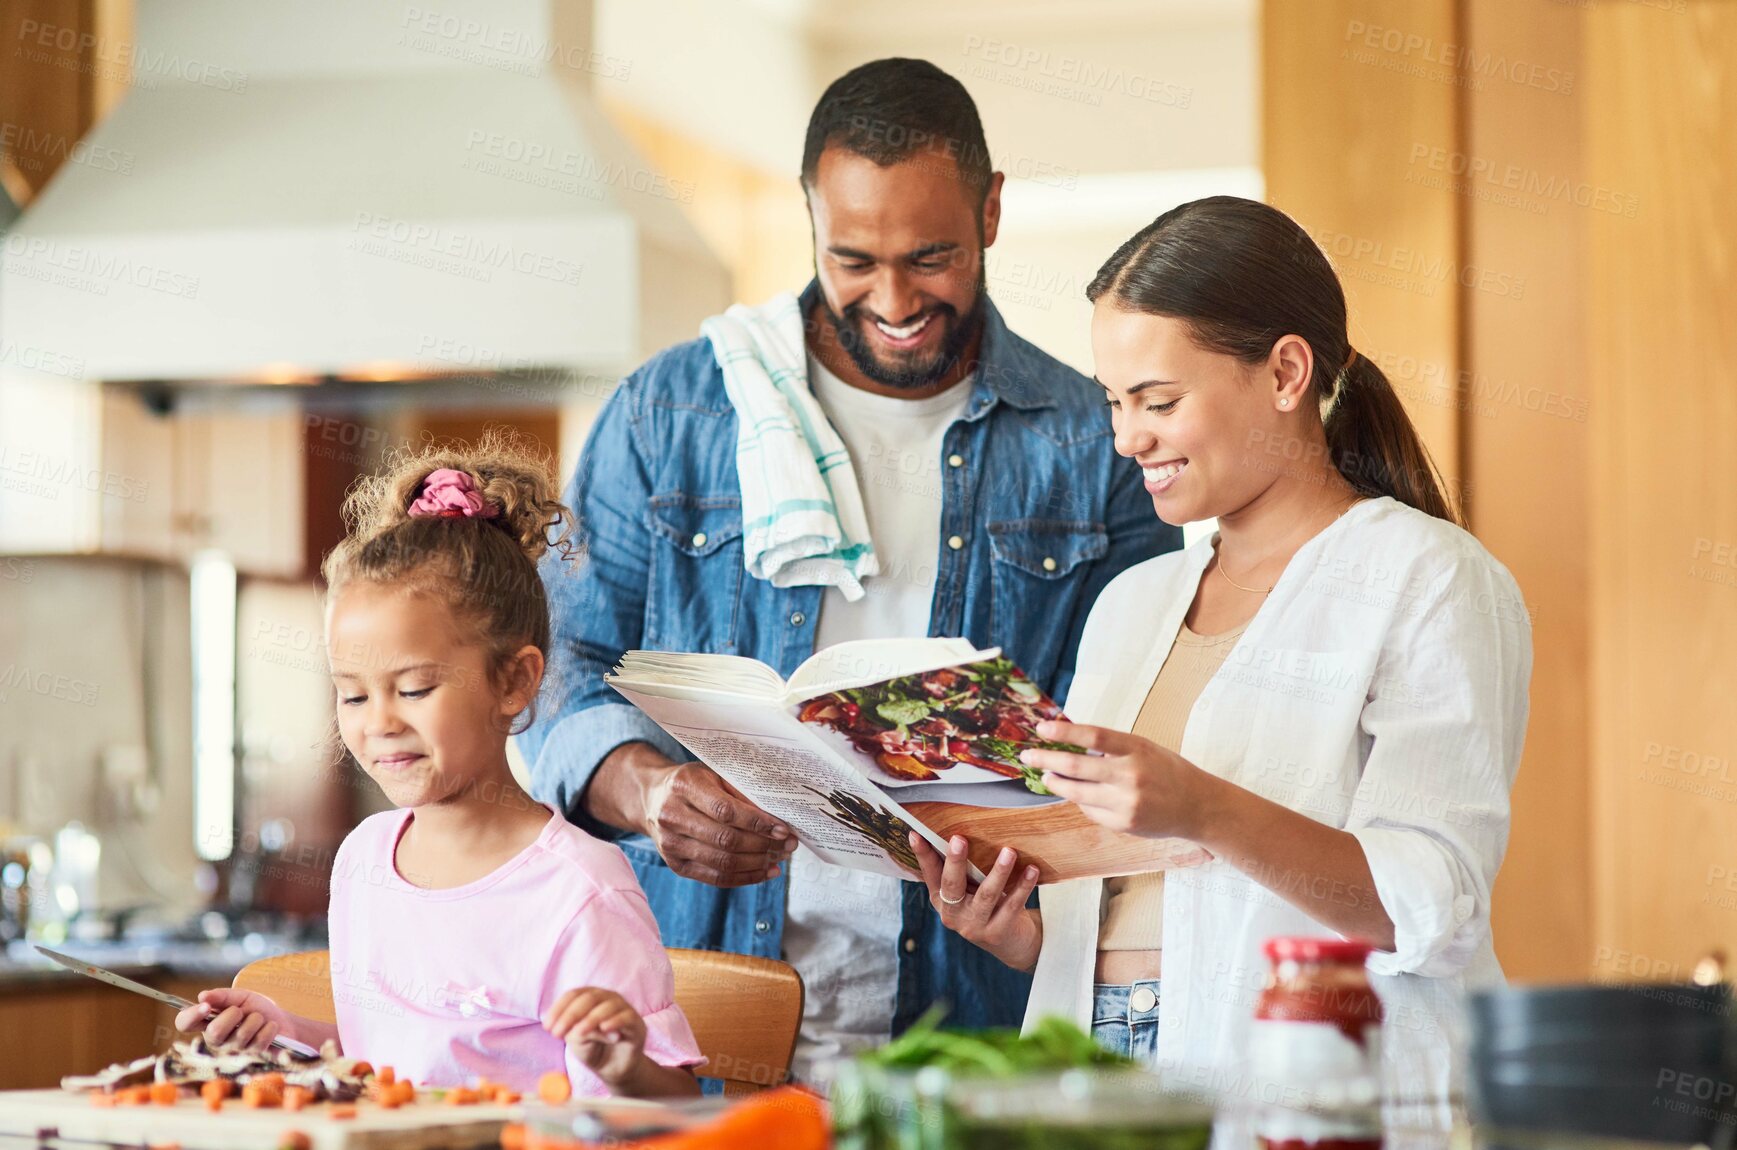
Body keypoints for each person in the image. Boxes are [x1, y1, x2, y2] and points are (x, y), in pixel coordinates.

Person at [517, 58, 1179, 1084]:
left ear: (992, 211)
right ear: (810, 218)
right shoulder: (671, 414)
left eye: (932, 256)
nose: (896, 299)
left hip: (980, 1019)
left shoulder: (1094, 446)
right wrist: (647, 789)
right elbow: (558, 669)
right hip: (697, 1015)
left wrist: (1040, 845)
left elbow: (1147, 727)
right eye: (854, 258)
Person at [912, 195, 1531, 1114]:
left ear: (1285, 371)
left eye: (1158, 401)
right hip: (1103, 1074)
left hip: (1324, 1091)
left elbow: (1428, 909)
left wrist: (1201, 806)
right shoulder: (1133, 603)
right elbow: (1157, 915)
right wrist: (1020, 933)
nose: (1127, 438)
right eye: (1115, 402)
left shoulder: (1426, 577)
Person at [176, 435, 704, 1098]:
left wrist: (622, 1064)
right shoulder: (364, 857)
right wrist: (287, 1031)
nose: (379, 723)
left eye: (415, 689)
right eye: (353, 694)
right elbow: (391, 1055)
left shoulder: (580, 891)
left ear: (514, 681)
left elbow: (678, 1113)